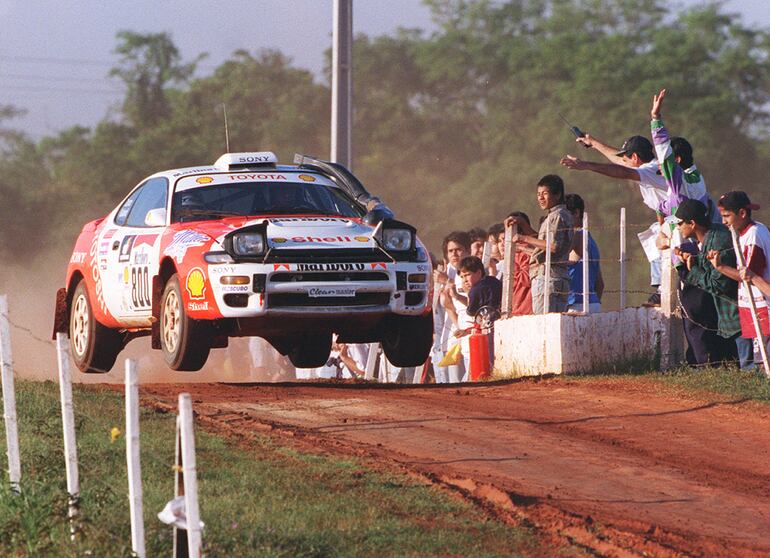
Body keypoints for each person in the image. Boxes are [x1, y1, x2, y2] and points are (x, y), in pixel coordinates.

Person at [707, 191, 770, 369]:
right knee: (760, 360)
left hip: (763, 304)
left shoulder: (754, 235)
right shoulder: (749, 231)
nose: (724, 221)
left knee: (763, 361)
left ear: (742, 213)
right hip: (754, 305)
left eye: (727, 216)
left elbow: (749, 276)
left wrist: (720, 268)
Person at [673, 199, 740, 365]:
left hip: (736, 317)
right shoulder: (709, 236)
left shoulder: (717, 242)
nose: (678, 227)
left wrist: (692, 271)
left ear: (693, 223)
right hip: (730, 318)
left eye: (680, 223)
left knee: (747, 365)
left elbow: (719, 285)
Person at [506, 175, 573, 314]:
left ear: (558, 194)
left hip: (547, 276)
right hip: (559, 276)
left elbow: (553, 246)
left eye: (545, 193)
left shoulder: (556, 216)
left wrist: (523, 238)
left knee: (544, 325)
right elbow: (544, 242)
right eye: (538, 194)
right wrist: (524, 225)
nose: (540, 198)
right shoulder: (562, 214)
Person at [432, 231, 472, 383]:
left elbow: (473, 301)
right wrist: (457, 326)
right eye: (450, 251)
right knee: (453, 382)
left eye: (458, 249)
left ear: (468, 250)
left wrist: (447, 281)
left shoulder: (473, 272)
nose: (455, 254)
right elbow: (448, 306)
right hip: (455, 335)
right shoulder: (451, 273)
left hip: (472, 332)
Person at [564, 194, 604, 313]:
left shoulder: (577, 236)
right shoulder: (591, 241)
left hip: (575, 303)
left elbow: (556, 255)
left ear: (576, 213)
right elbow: (600, 284)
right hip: (593, 303)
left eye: (564, 216)